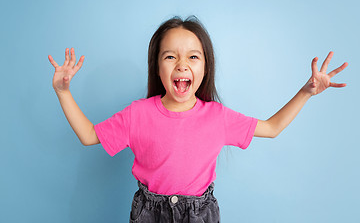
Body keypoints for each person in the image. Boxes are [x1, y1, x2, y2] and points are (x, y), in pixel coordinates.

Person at [48, 16, 348, 223]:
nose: (181, 64)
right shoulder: (137, 114)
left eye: (193, 56)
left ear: (205, 67)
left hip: (199, 214)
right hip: (149, 213)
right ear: (157, 67)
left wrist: (305, 92)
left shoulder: (217, 116)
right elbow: (88, 135)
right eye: (170, 56)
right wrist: (63, 92)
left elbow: (272, 128)